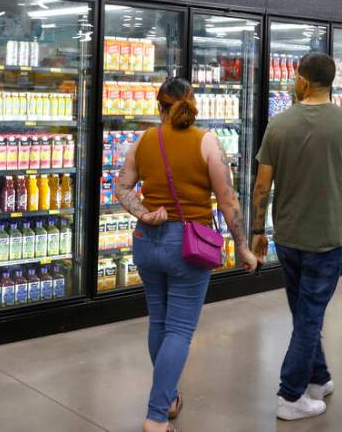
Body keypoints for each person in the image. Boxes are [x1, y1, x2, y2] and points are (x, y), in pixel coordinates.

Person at [250, 52, 342, 421]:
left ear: (302, 81)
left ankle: (319, 378)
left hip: (286, 238)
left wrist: (256, 231)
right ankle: (289, 395)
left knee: (304, 312)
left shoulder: (278, 125)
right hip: (326, 241)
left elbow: (261, 185)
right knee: (310, 316)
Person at [115, 77, 259, 432]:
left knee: (159, 324)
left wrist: (143, 213)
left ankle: (171, 396)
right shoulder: (208, 142)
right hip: (189, 245)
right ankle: (156, 415)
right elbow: (227, 200)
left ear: (158, 106)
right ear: (192, 103)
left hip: (147, 240)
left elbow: (122, 186)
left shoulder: (144, 141)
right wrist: (241, 244)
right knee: (179, 330)